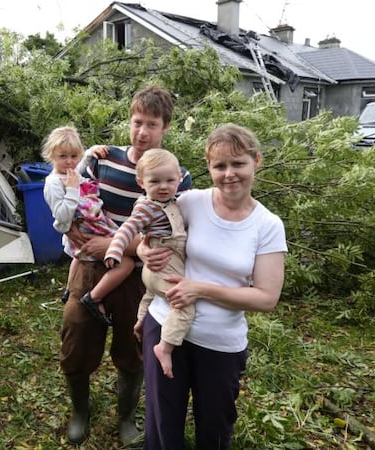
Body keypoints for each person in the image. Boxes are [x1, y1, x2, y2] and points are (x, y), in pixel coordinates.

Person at [138, 123, 287, 449]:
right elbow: (147, 231)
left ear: (256, 161)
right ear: (209, 168)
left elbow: (266, 298)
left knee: (215, 428)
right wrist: (143, 250)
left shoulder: (268, 225)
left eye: (238, 163)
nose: (229, 173)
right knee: (162, 423)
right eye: (219, 166)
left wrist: (200, 289)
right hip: (165, 325)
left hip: (220, 344)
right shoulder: (191, 202)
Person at [59, 86, 192, 445]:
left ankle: (127, 418)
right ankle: (80, 413)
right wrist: (78, 236)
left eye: (152, 124)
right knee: (76, 337)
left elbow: (169, 233)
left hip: (141, 279)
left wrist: (121, 246)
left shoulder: (176, 175)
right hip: (90, 267)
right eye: (137, 122)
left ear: (166, 127)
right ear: (129, 122)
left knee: (133, 349)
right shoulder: (101, 160)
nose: (143, 132)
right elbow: (68, 196)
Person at [104, 148, 188, 380]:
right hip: (164, 263)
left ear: (179, 178)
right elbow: (127, 229)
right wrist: (115, 250)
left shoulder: (173, 200)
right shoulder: (146, 207)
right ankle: (166, 347)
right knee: (184, 305)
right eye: (155, 181)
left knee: (150, 295)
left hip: (154, 272)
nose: (163, 186)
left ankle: (141, 322)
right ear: (142, 182)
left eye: (170, 180)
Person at [40, 126, 135, 326]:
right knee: (127, 264)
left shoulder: (73, 171)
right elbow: (62, 214)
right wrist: (73, 189)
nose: (69, 161)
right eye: (62, 156)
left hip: (93, 224)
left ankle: (68, 290)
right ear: (51, 156)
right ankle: (94, 298)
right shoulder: (53, 183)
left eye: (74, 156)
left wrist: (92, 151)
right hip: (87, 230)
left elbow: (81, 167)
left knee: (76, 256)